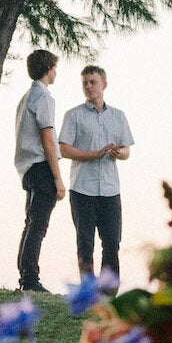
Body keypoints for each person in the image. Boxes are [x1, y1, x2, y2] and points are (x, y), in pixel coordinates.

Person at [57, 65, 135, 284]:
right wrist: (95, 154)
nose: (89, 87)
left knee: (111, 243)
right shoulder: (73, 115)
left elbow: (127, 150)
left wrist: (120, 152)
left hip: (110, 189)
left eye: (93, 82)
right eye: (85, 83)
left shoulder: (118, 116)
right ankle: (88, 293)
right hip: (83, 188)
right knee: (85, 243)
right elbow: (63, 148)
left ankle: (109, 294)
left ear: (104, 85)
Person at [12, 49, 66, 293]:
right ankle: (30, 279)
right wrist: (58, 178)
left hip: (27, 168)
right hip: (42, 167)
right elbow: (47, 138)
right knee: (38, 225)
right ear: (48, 69)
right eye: (54, 67)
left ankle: (25, 274)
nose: (56, 72)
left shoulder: (25, 98)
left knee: (31, 222)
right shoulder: (43, 97)